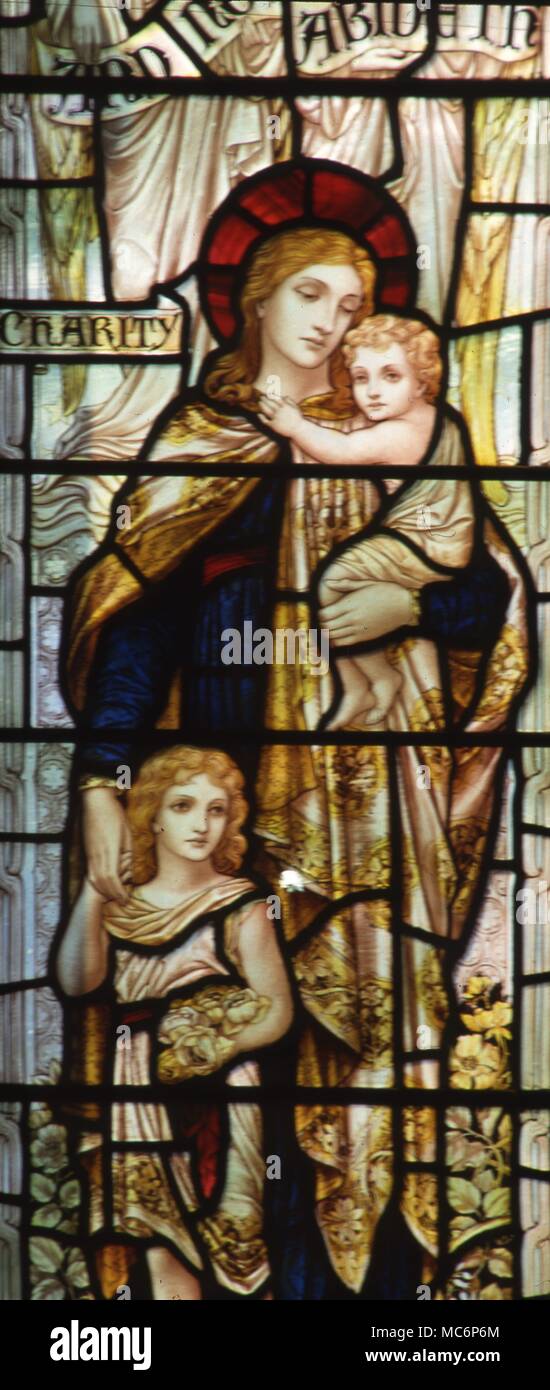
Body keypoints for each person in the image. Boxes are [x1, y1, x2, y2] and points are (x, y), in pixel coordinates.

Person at [63, 164, 529, 1296]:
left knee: (359, 1049)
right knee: (227, 1049)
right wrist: (102, 787)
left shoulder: (391, 435)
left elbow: (481, 591)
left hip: (367, 799)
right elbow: (135, 621)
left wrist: (418, 605)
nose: (334, 322)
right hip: (218, 796)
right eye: (312, 296)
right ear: (256, 302)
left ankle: (363, 1308)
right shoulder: (205, 442)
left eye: (353, 303)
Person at [55, 746, 293, 1300]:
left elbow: (278, 1009)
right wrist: (94, 891)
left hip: (222, 1101)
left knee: (225, 1247)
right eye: (184, 806)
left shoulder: (242, 904)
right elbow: (76, 981)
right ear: (152, 816)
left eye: (217, 810)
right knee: (157, 1245)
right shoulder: (124, 905)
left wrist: (213, 1050)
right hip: (136, 1090)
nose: (202, 824)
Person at [258, 313, 476, 731]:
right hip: (441, 542)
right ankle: (363, 681)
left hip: (424, 544)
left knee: (331, 582)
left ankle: (373, 679)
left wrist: (294, 425)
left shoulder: (400, 433)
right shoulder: (438, 420)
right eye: (361, 377)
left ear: (421, 381)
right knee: (348, 586)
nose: (372, 392)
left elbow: (340, 450)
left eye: (390, 376)